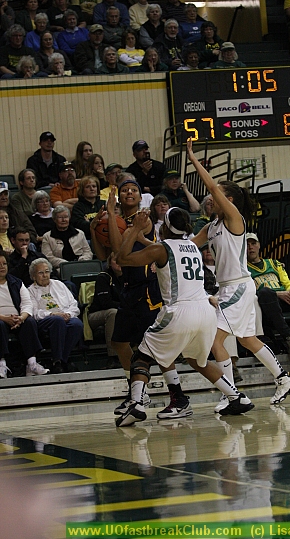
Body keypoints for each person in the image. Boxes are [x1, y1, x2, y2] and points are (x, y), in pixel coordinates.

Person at [115, 207, 255, 427]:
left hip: (180, 311)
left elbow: (122, 258)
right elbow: (168, 250)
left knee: (141, 357)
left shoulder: (162, 249)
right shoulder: (192, 245)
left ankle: (136, 405)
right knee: (197, 360)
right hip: (205, 312)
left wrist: (134, 230)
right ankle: (236, 397)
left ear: (166, 227)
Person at [186, 139, 290, 409]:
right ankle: (283, 378)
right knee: (248, 339)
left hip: (236, 287)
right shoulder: (211, 226)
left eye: (217, 195)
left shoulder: (235, 218)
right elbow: (190, 246)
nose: (211, 198)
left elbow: (212, 186)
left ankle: (232, 395)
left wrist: (193, 159)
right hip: (231, 289)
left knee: (214, 340)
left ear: (229, 199)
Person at [89, 183, 162, 413]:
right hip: (128, 290)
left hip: (148, 290)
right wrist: (94, 230)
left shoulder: (143, 220)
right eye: (124, 190)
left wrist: (111, 214)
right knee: (119, 342)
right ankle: (137, 393)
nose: (129, 192)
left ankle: (175, 395)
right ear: (119, 197)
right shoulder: (121, 222)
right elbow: (104, 255)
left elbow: (121, 252)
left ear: (141, 196)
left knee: (153, 349)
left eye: (133, 190)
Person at [0, 251, 49, 380]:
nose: (2, 267)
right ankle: (1, 365)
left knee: (30, 322)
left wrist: (21, 317)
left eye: (4, 263)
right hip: (1, 319)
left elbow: (27, 304)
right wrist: (5, 318)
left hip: (17, 318)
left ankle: (32, 363)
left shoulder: (16, 282)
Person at [28, 258, 83, 373]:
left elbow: (73, 304)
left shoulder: (59, 285)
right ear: (33, 276)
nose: (45, 275)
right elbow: (34, 313)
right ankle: (57, 360)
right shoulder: (30, 291)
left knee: (77, 324)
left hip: (64, 316)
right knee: (57, 320)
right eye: (41, 273)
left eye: (47, 272)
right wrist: (52, 314)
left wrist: (68, 314)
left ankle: (62, 360)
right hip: (45, 320)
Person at [88, 251, 123, 369]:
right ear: (109, 262)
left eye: (121, 259)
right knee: (113, 313)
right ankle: (112, 358)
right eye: (115, 260)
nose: (119, 263)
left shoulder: (130, 276)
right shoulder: (104, 277)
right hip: (96, 314)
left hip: (122, 310)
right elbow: (106, 303)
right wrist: (127, 306)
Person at [42, 205, 93, 272]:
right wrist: (66, 264)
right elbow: (48, 257)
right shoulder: (47, 236)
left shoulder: (80, 233)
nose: (63, 220)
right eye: (60, 217)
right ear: (54, 219)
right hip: (61, 268)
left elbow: (88, 252)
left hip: (80, 264)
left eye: (66, 217)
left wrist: (83, 260)